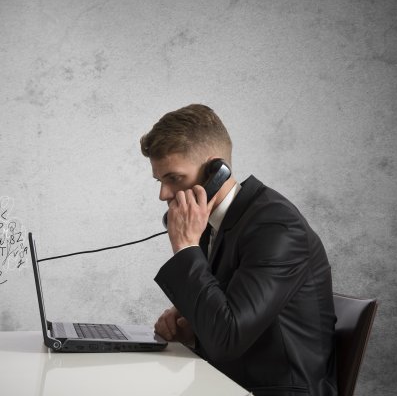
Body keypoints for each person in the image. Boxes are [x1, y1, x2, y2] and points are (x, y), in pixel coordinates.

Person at [140, 104, 337, 396]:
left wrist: (184, 247)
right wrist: (194, 330)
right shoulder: (219, 224)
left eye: (174, 178)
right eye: (160, 181)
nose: (163, 195)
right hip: (226, 384)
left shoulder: (276, 226)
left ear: (215, 172)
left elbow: (227, 338)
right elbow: (230, 323)